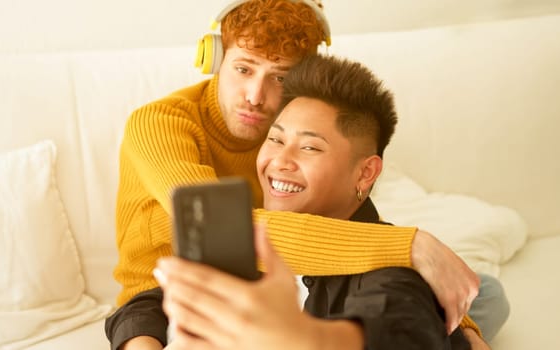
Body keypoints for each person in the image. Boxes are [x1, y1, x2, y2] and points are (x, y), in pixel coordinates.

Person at [105, 1, 483, 349]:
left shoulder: (281, 129)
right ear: (214, 57)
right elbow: (227, 233)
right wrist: (413, 247)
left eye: (280, 77)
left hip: (279, 276)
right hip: (164, 297)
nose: (255, 96)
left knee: (484, 294)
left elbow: (360, 223)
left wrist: (461, 322)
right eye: (243, 68)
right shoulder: (159, 124)